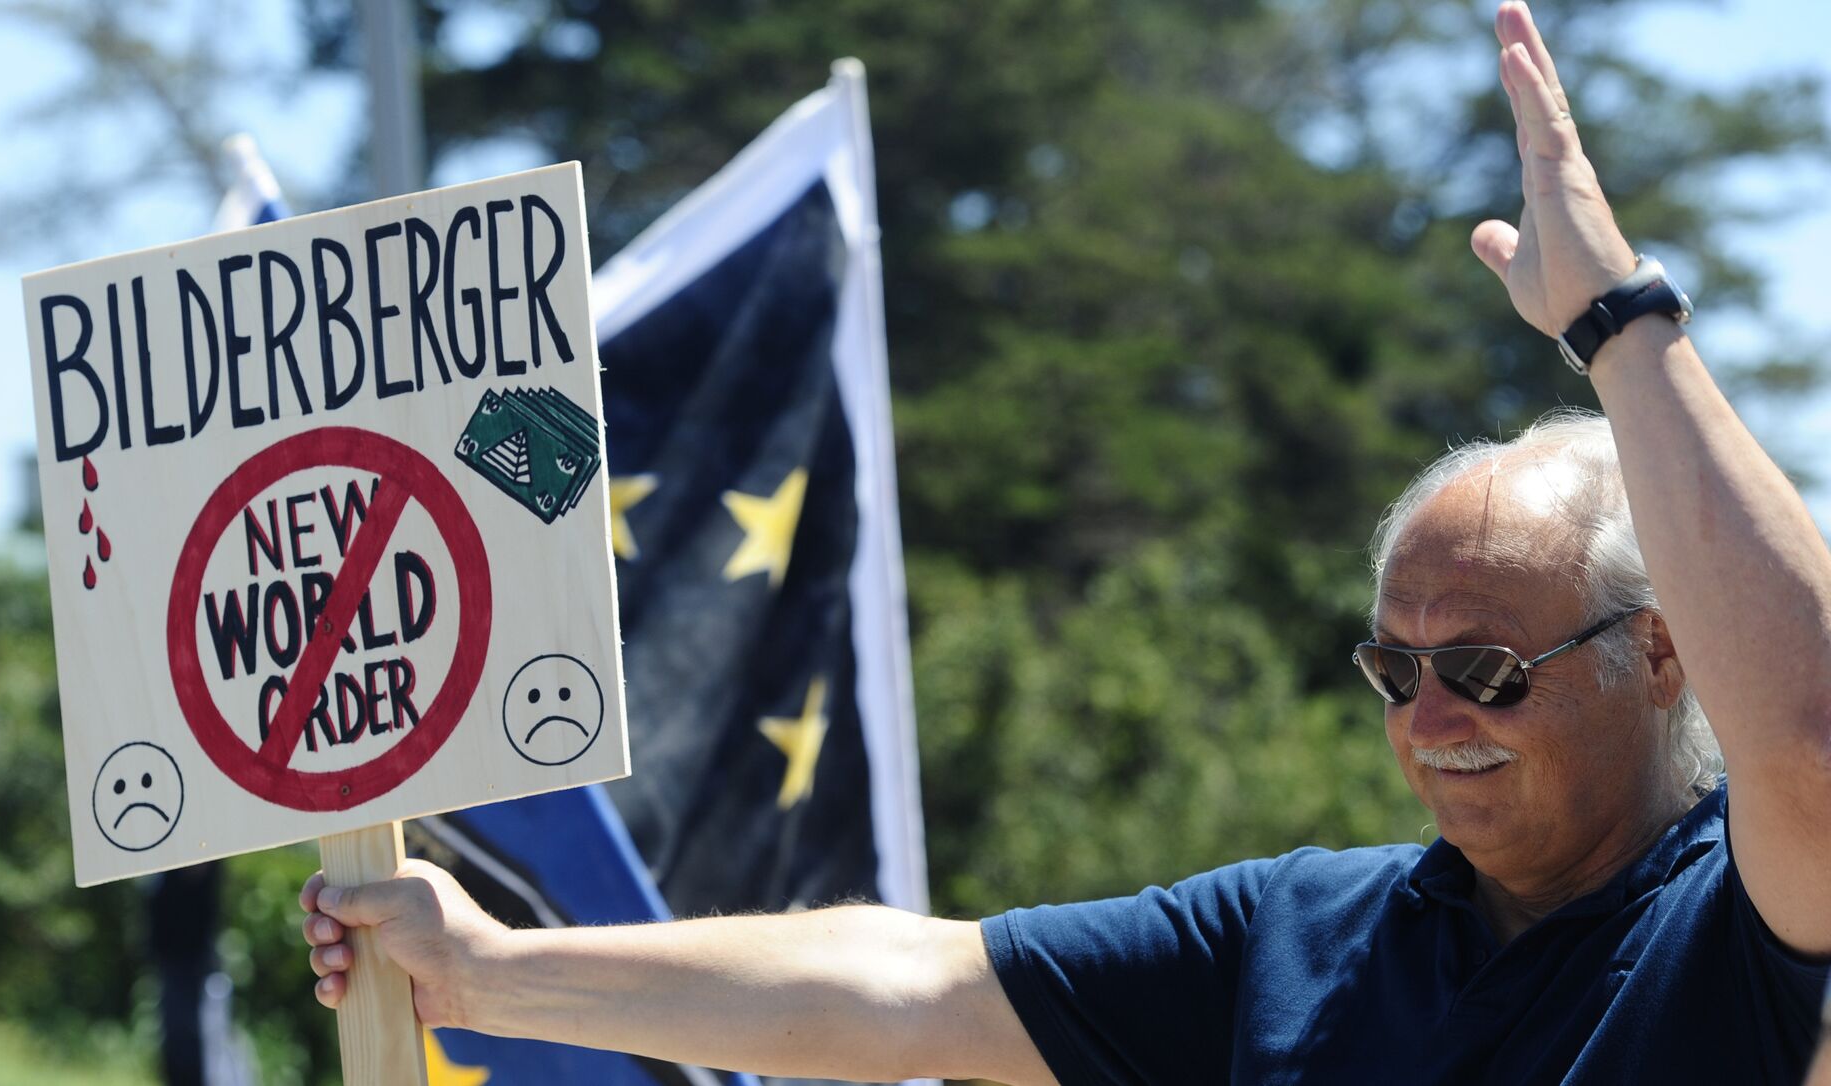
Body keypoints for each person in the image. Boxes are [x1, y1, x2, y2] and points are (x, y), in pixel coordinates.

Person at [300, 4, 1831, 1082]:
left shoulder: (1746, 928)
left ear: (1658, 654)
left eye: (1486, 668)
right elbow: (908, 984)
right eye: (1395, 667)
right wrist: (487, 968)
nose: (1430, 720)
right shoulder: (1306, 935)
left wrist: (1617, 323)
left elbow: (1813, 750)